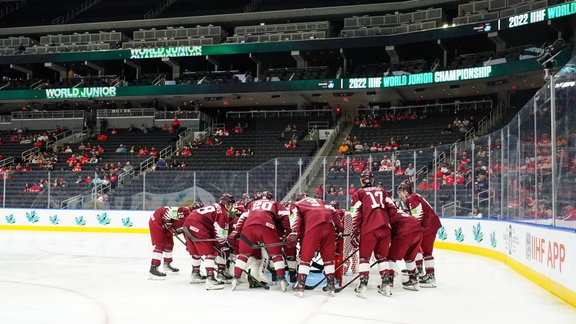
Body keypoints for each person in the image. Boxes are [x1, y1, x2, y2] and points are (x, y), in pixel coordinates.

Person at [228, 191, 291, 292]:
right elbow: (286, 216)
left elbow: (243, 217)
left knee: (243, 255)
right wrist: (288, 231)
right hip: (266, 226)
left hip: (248, 227)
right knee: (276, 255)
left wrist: (235, 232)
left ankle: (236, 278)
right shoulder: (275, 203)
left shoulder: (252, 204)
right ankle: (282, 279)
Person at [350, 170, 398, 298]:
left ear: (361, 180)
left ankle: (363, 286)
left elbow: (355, 214)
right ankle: (386, 286)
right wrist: (388, 222)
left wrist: (354, 232)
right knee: (382, 257)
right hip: (385, 227)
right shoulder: (382, 190)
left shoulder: (358, 193)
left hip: (369, 228)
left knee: (364, 258)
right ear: (372, 180)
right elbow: (393, 208)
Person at [287, 193, 343, 297]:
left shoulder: (296, 204)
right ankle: (331, 285)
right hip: (329, 225)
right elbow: (333, 211)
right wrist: (339, 229)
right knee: (328, 258)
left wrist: (295, 231)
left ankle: (300, 285)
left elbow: (296, 218)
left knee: (305, 257)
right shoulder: (320, 201)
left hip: (314, 225)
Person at [182, 194, 235, 290]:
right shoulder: (223, 212)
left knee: (196, 252)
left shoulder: (215, 206)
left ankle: (195, 274)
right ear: (228, 204)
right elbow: (220, 231)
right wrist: (222, 245)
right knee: (210, 253)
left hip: (187, 223)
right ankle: (210, 279)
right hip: (197, 225)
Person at [397, 180, 442, 288]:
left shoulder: (411, 198)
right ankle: (419, 270)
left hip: (428, 227)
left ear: (405, 191)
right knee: (417, 248)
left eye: (401, 191)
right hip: (428, 226)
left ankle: (431, 278)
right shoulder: (413, 197)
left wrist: (412, 228)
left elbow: (419, 216)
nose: (399, 194)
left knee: (426, 252)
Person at [148, 205, 191, 279]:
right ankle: (153, 269)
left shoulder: (194, 219)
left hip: (166, 226)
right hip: (157, 221)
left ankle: (167, 265)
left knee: (169, 244)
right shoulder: (185, 212)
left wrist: (189, 243)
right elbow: (171, 210)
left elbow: (186, 231)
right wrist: (167, 222)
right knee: (160, 245)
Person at [387, 204, 423, 291]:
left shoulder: (385, 213)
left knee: (391, 257)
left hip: (405, 230)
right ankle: (413, 281)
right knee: (409, 257)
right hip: (417, 228)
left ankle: (389, 282)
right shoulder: (398, 211)